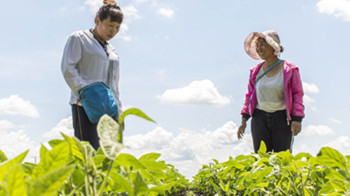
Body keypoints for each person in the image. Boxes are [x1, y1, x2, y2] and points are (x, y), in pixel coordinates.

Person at [61, 2, 123, 150]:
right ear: (97, 20)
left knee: (107, 154)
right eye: (110, 25)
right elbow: (68, 68)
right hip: (85, 105)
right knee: (88, 151)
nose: (113, 31)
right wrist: (87, 92)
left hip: (109, 107)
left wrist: (118, 110)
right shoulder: (79, 38)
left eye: (117, 28)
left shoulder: (112, 49)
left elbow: (114, 82)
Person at [237, 30, 305, 153]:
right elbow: (249, 97)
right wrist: (244, 120)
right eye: (257, 46)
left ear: (273, 45)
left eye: (262, 44)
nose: (259, 48)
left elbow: (297, 95)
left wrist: (297, 119)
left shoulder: (290, 70)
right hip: (259, 118)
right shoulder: (255, 72)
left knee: (282, 159)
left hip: (282, 119)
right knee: (262, 159)